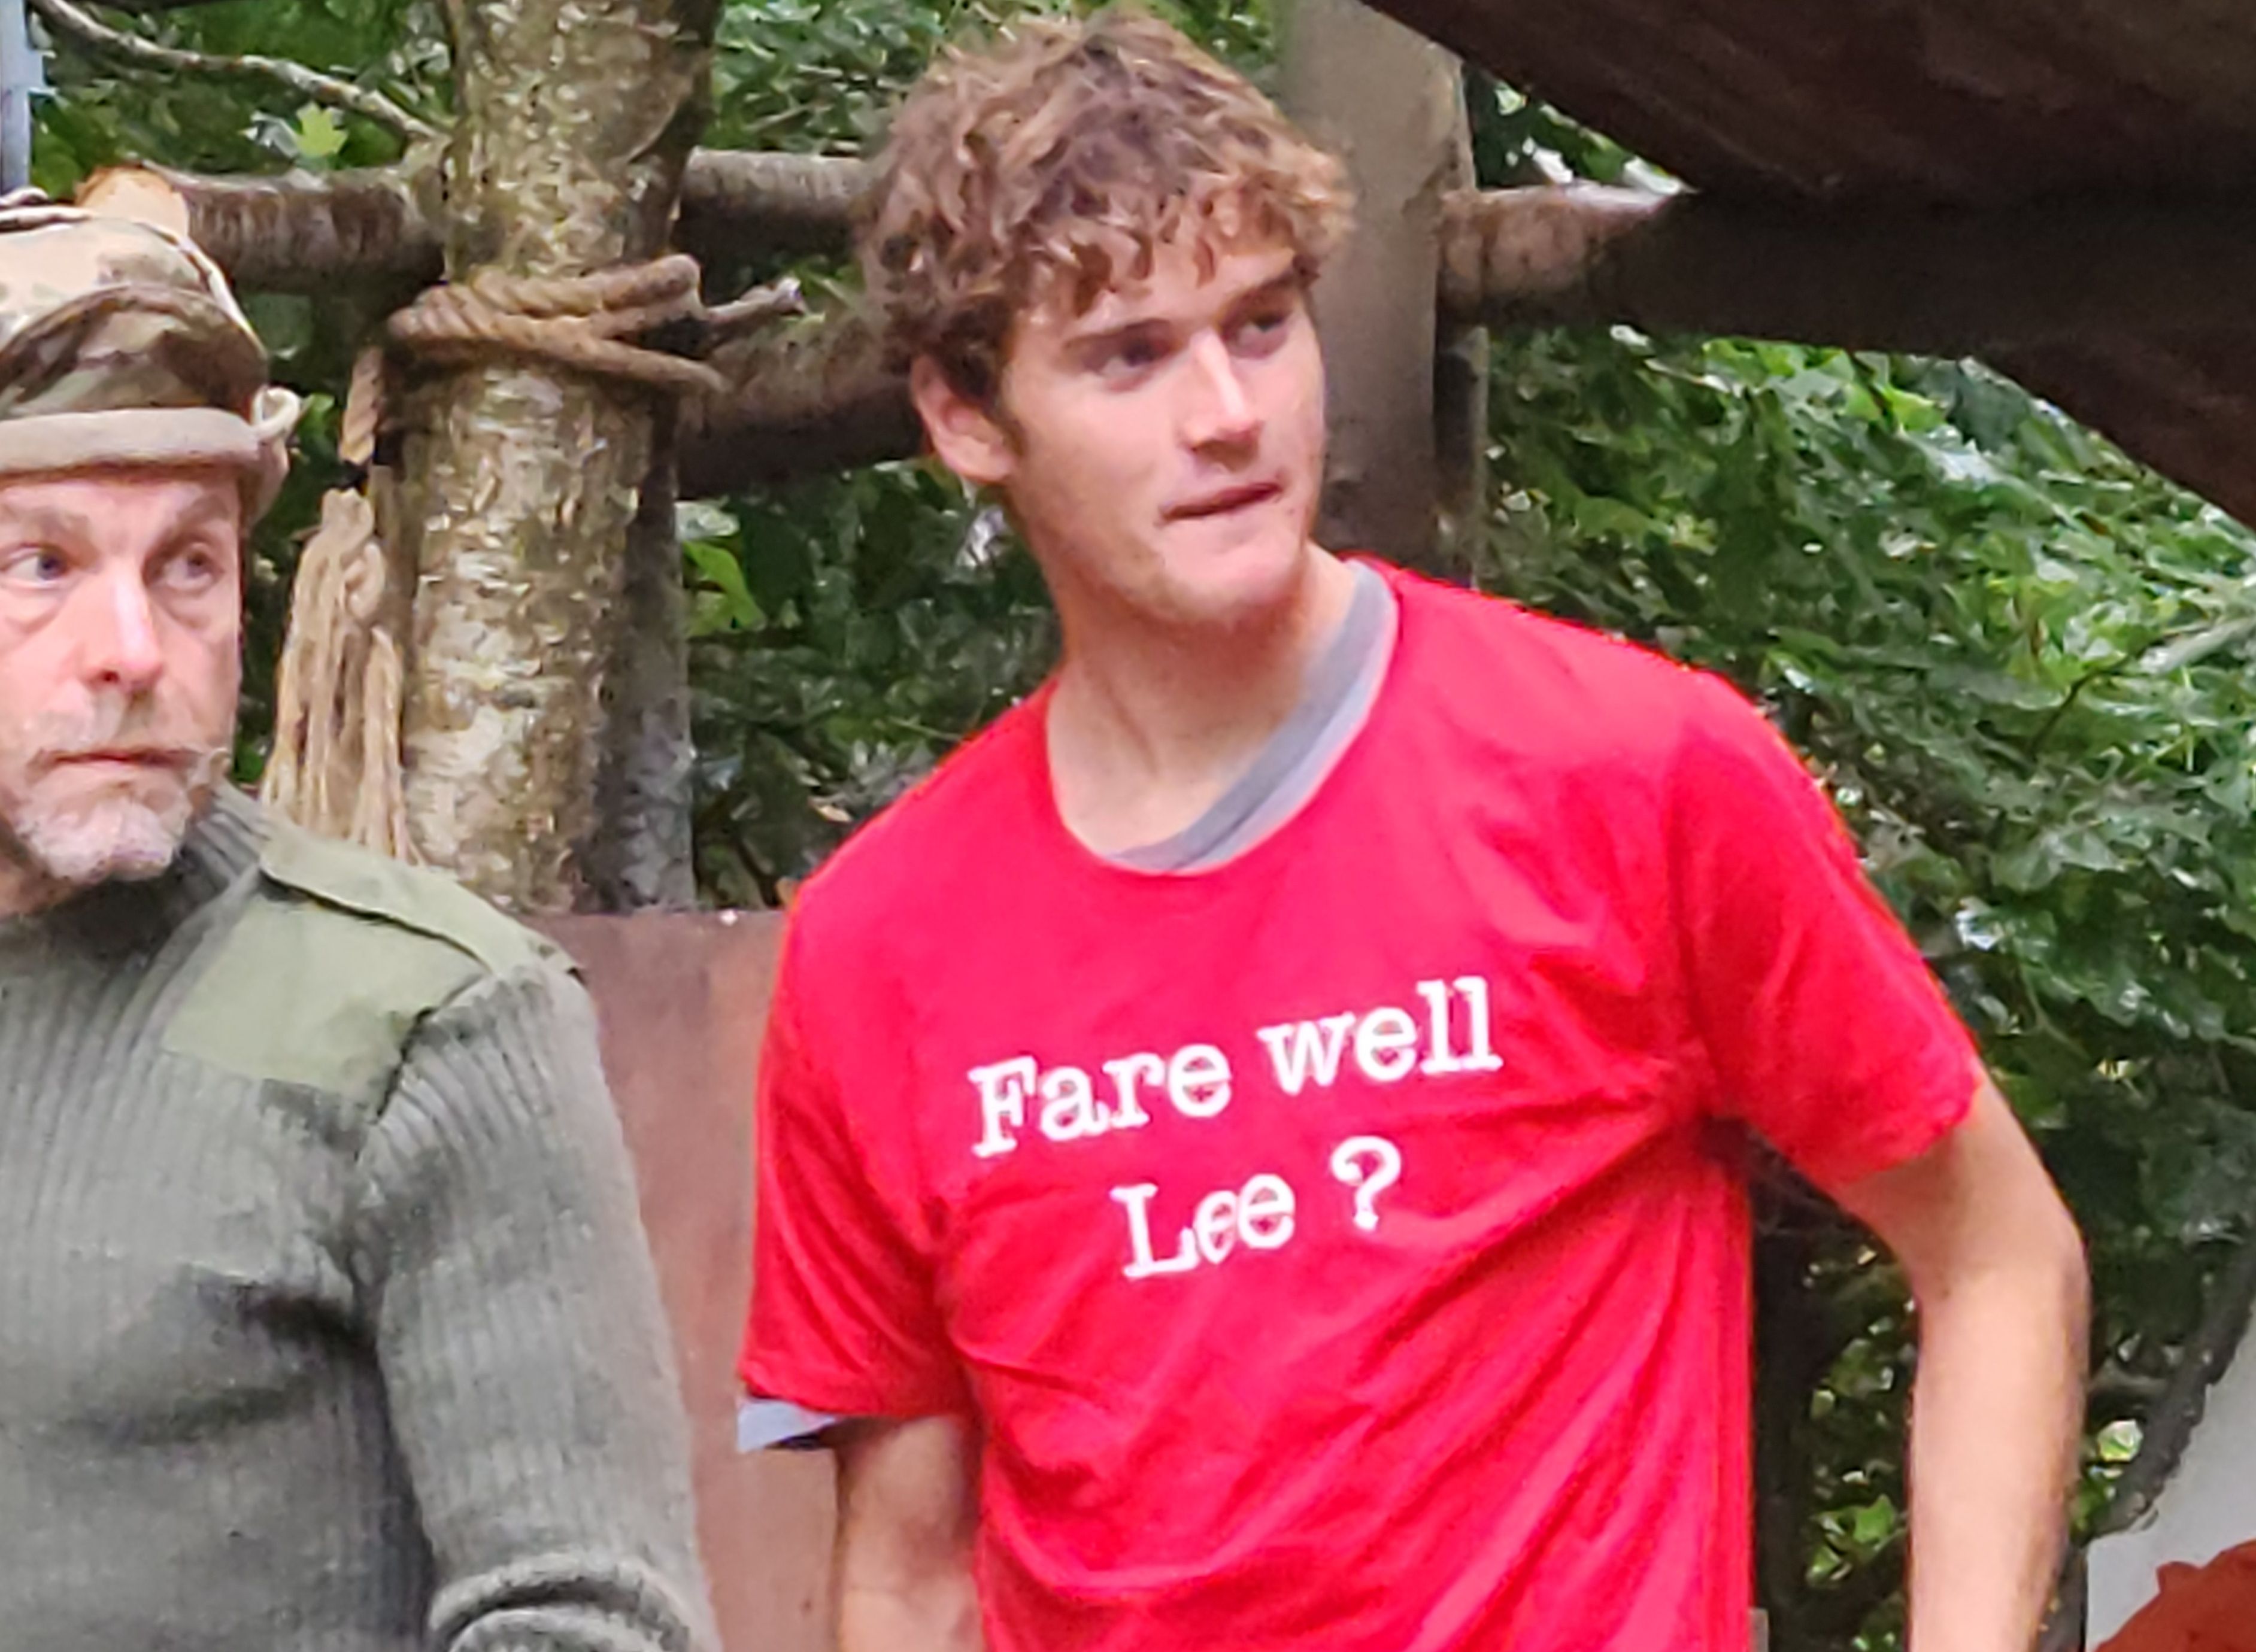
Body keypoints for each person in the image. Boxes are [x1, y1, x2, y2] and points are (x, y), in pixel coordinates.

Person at [736, 11, 2091, 1650]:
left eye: (1262, 324)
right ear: (966, 415)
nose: (1227, 413)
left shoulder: (1630, 771)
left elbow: (1998, 1258)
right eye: (1129, 357)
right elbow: (911, 1570)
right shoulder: (878, 945)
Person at [0, 193, 717, 1652]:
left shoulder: (423, 1024)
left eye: (188, 565)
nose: (133, 653)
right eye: (44, 566)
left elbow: (588, 1620)